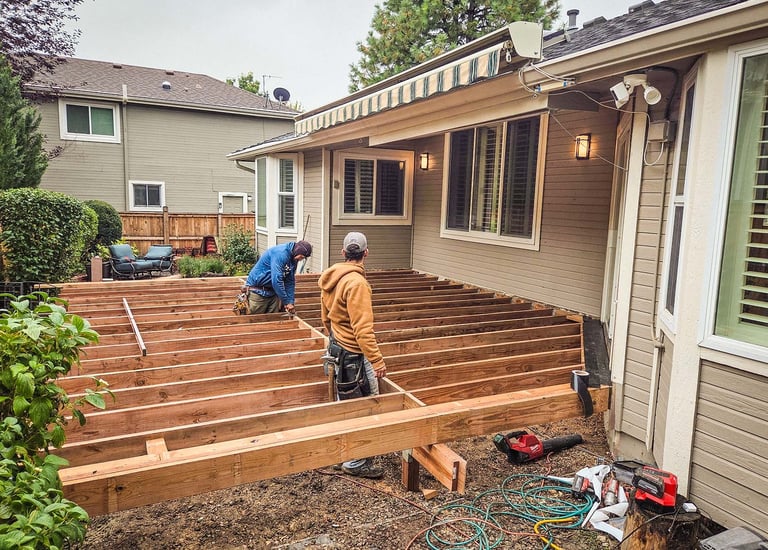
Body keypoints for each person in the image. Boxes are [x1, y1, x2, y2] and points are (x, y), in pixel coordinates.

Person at [318, 231, 386, 479]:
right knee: (366, 406)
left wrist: (334, 338)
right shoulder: (357, 284)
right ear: (366, 253)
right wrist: (377, 360)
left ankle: (344, 453)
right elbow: (363, 329)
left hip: (336, 348)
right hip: (354, 356)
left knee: (344, 404)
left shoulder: (330, 279)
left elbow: (325, 317)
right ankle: (357, 463)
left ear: (343, 253)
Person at [244, 240, 312, 315]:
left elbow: (290, 281)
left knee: (274, 322)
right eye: (302, 256)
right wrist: (286, 302)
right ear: (297, 250)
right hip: (258, 291)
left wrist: (290, 302)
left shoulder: (294, 259)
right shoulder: (281, 254)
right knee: (256, 321)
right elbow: (276, 281)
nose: (301, 259)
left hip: (273, 293)